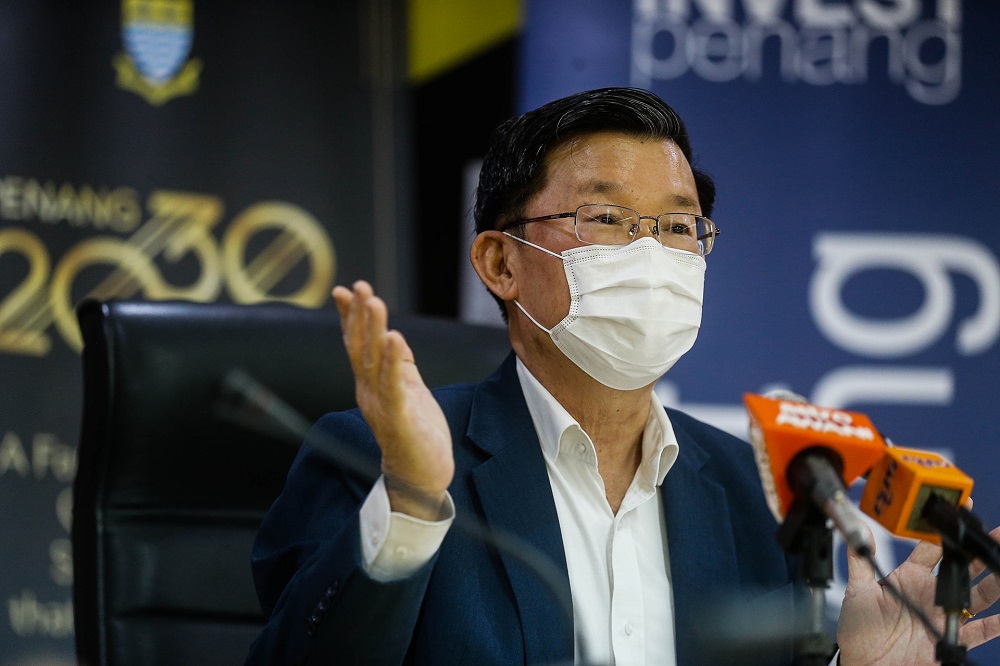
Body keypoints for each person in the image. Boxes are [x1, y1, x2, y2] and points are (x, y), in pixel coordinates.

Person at [247, 87, 1000, 665]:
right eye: (607, 219)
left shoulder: (755, 487)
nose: (654, 256)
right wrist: (411, 502)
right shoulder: (377, 458)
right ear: (500, 262)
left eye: (679, 227)